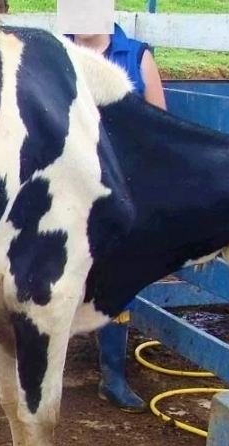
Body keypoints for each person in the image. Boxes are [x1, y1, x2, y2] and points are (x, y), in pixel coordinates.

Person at [67, 22, 167, 412]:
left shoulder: (137, 54)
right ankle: (46, 364)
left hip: (123, 185)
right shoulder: (56, 51)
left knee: (118, 273)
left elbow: (158, 122)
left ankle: (113, 375)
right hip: (69, 183)